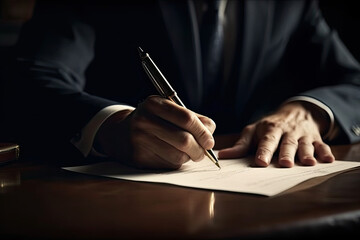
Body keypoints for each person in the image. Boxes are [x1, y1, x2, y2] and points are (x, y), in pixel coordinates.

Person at [3, 0, 360, 169]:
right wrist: (112, 127)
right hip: (119, 207)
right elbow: (30, 79)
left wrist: (308, 111)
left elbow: (353, 81)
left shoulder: (292, 5)